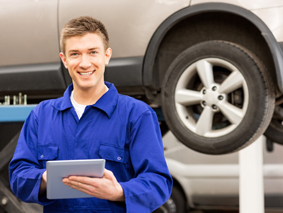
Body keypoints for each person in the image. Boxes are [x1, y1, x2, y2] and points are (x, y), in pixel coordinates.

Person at [9, 16, 173, 213]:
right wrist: (46, 177)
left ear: (107, 55)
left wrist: (119, 191)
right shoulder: (41, 115)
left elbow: (158, 183)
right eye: (75, 54)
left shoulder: (137, 114)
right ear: (65, 60)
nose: (84, 63)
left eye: (93, 52)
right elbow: (18, 176)